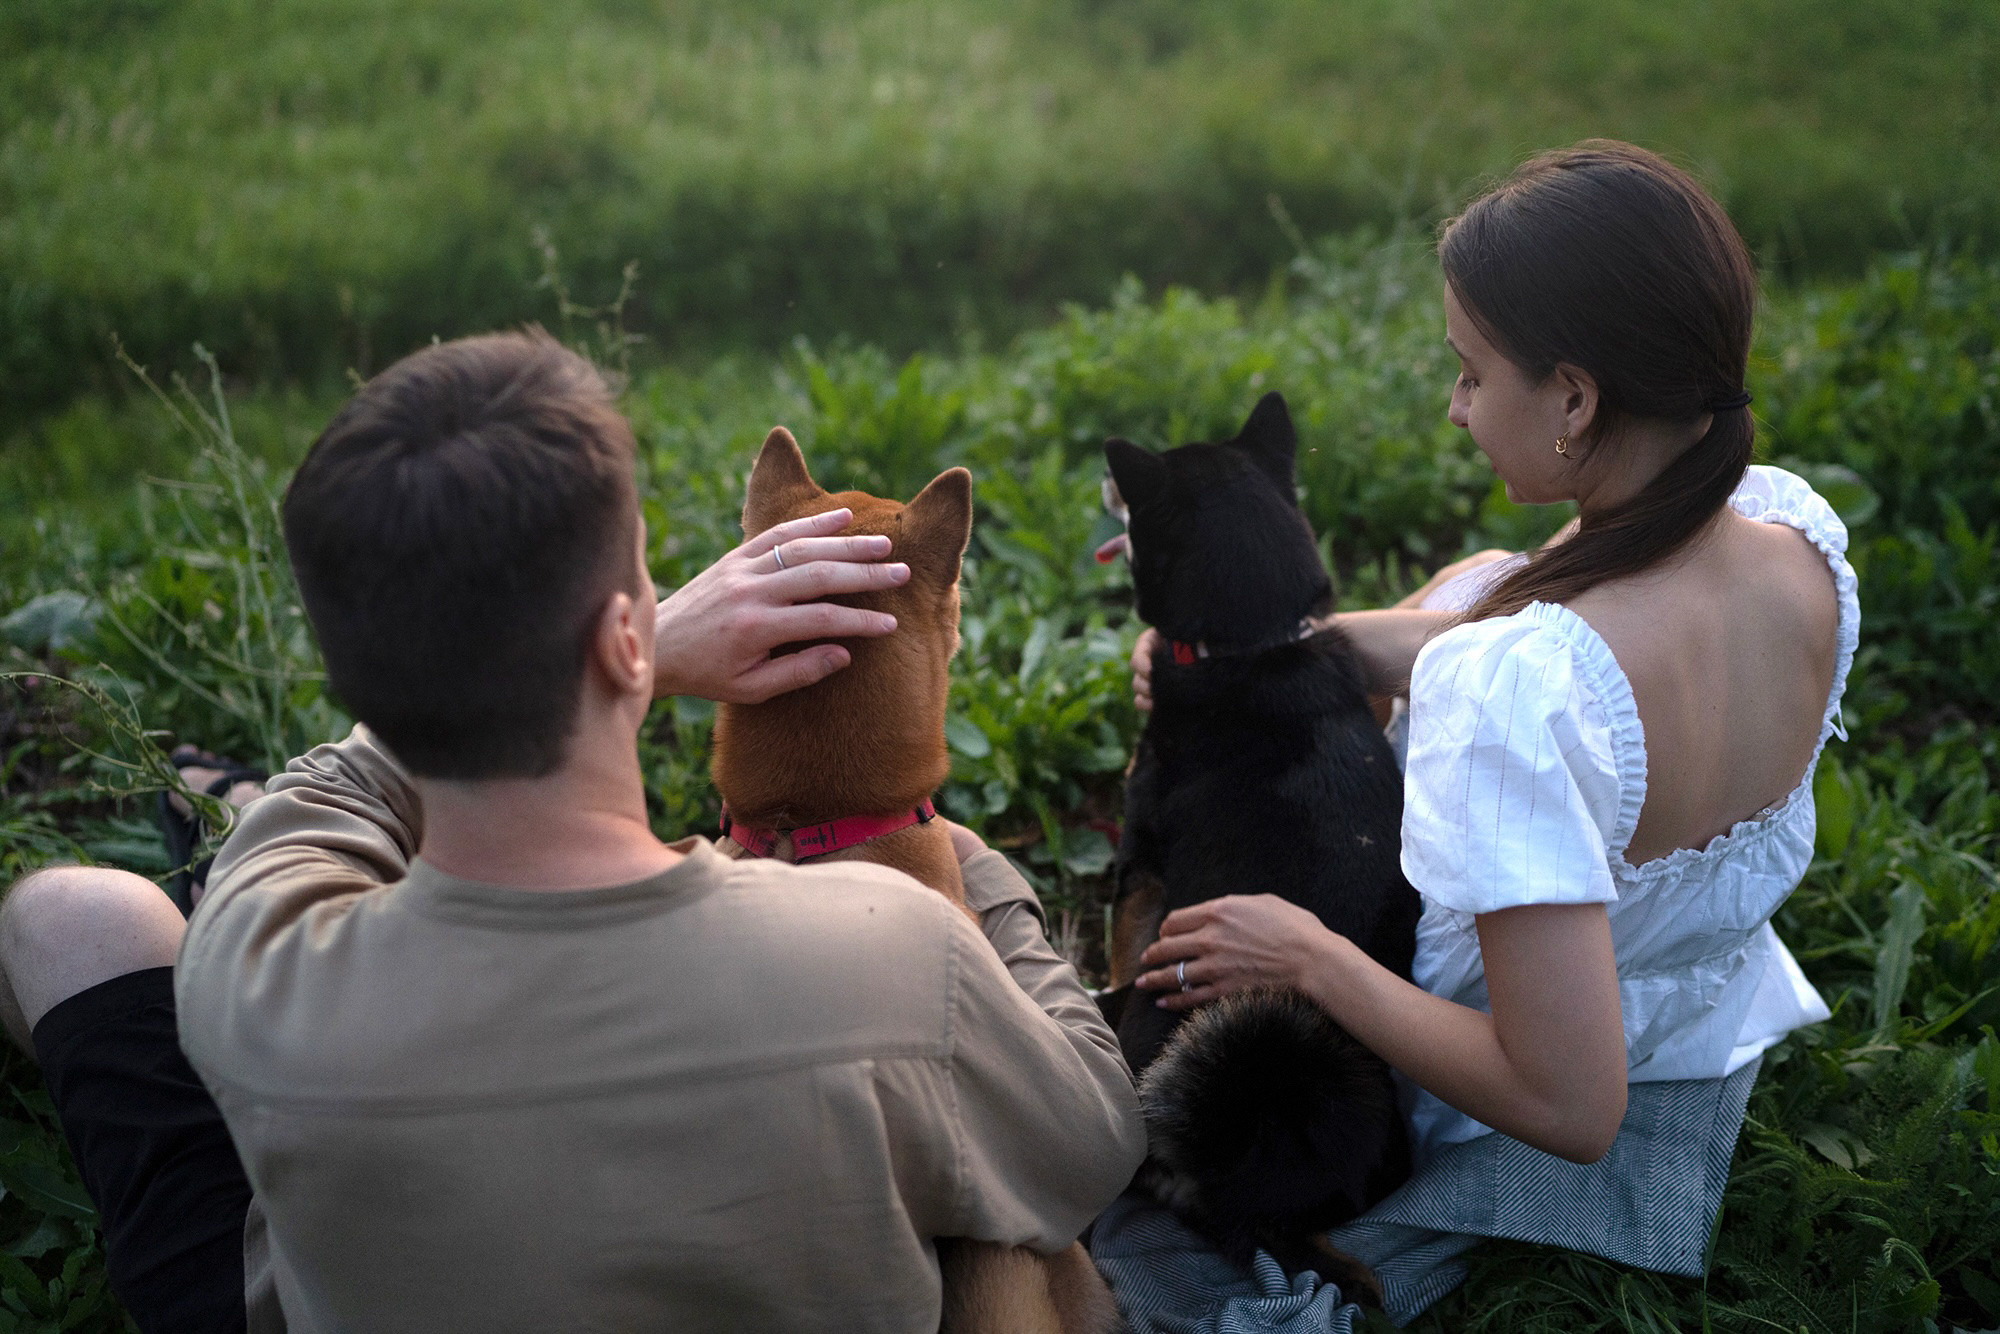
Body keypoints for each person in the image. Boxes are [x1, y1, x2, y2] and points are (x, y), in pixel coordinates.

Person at [0, 331, 1144, 1332]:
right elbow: (1091, 1136)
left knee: (65, 910)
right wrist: (941, 848)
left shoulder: (257, 964)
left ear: (358, 678)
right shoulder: (898, 958)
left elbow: (324, 803)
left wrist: (627, 647)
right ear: (624, 637)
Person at [1093, 140, 1852, 1329]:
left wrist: (1310, 956)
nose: (1452, 407)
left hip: (1503, 1060)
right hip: (1686, 1009)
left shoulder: (1515, 692)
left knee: (1108, 1175)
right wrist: (1264, 655)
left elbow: (1567, 1105)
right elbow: (1519, 624)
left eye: (1467, 373)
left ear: (1572, 397)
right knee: (1470, 581)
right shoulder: (1783, 530)